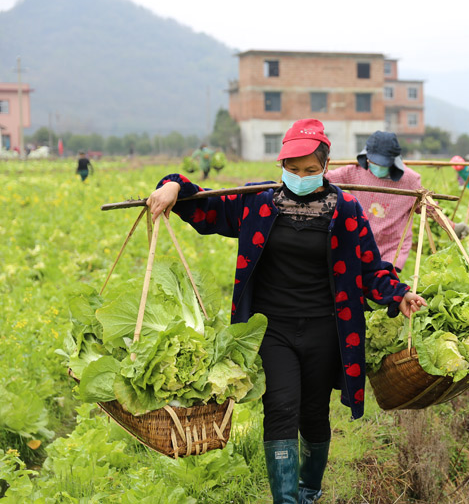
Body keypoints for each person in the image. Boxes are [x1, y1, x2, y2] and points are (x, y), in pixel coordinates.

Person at [146, 118, 427, 504]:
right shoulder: (258, 202)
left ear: (325, 168)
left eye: (310, 171)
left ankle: (309, 490)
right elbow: (205, 207)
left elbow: (369, 269)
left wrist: (398, 295)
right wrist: (174, 184)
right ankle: (287, 500)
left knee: (313, 413)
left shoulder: (345, 210)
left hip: (325, 328)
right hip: (270, 327)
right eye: (292, 169)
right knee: (280, 407)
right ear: (281, 165)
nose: (300, 177)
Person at [325, 131, 422, 272]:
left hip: (393, 247)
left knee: (385, 285)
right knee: (359, 284)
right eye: (374, 162)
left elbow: (426, 207)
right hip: (362, 242)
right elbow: (326, 180)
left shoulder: (410, 180)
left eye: (383, 164)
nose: (378, 166)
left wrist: (452, 226)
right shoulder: (354, 171)